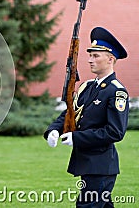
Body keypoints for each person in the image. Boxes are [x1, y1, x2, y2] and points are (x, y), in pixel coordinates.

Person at [44, 26, 129, 207]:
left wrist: (77, 137)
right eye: (90, 55)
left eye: (96, 56)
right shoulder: (87, 87)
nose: (90, 60)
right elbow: (70, 113)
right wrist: (53, 130)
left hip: (101, 165)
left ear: (111, 59)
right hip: (88, 163)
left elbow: (115, 132)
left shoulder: (116, 91)